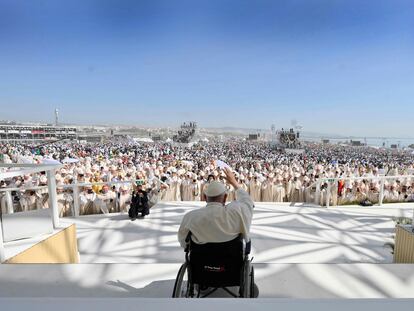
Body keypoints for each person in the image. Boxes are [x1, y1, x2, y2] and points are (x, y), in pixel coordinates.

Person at [177, 166, 258, 297]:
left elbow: (184, 242)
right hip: (231, 269)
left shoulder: (191, 216)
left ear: (204, 197)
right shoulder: (236, 212)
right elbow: (248, 202)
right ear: (225, 197)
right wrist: (234, 183)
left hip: (201, 270)